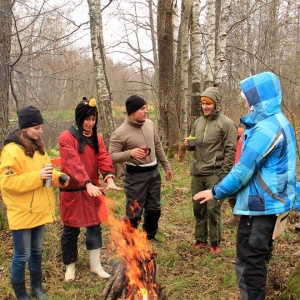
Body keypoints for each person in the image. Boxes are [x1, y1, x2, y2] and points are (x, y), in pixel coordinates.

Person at [193, 72, 296, 299]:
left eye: (247, 97)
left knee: (249, 265)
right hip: (269, 206)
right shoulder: (278, 122)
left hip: (260, 209)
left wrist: (215, 191)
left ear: (259, 98)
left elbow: (242, 171)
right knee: (257, 261)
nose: (245, 101)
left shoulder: (267, 129)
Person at [0, 106, 69, 300]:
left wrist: (60, 177)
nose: (40, 131)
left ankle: (37, 289)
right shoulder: (11, 150)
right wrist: (37, 177)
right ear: (24, 127)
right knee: (22, 256)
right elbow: (7, 182)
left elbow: (47, 173)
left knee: (37, 252)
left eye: (41, 127)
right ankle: (21, 294)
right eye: (36, 128)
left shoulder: (38, 149)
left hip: (39, 210)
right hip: (22, 212)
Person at [58, 97, 122, 282]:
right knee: (71, 229)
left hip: (93, 190)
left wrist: (108, 177)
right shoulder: (65, 138)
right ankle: (70, 267)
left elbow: (103, 157)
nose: (90, 123)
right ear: (79, 119)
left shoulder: (97, 137)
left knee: (94, 227)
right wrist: (86, 182)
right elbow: (72, 162)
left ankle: (95, 265)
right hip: (73, 191)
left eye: (93, 120)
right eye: (87, 119)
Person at [109, 95, 173, 242]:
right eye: (142, 109)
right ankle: (130, 241)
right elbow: (111, 156)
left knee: (154, 210)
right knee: (134, 213)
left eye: (145, 108)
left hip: (153, 173)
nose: (146, 111)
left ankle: (149, 237)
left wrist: (166, 166)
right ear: (132, 112)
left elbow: (157, 146)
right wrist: (129, 154)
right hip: (135, 177)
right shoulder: (120, 132)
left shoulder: (149, 124)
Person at [184, 87, 237, 253]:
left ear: (216, 104)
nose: (205, 106)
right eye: (203, 103)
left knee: (213, 209)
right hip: (197, 173)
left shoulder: (226, 124)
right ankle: (200, 239)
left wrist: (224, 174)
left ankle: (215, 242)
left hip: (215, 174)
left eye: (209, 103)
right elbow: (194, 145)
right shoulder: (197, 122)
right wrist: (188, 146)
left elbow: (231, 151)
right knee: (198, 208)